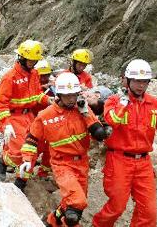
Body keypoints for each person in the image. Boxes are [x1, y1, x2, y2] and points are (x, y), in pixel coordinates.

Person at [92, 59, 157, 227]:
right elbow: (111, 121)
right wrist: (123, 104)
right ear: (127, 81)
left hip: (143, 163)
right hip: (119, 161)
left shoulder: (155, 105)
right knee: (117, 207)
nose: (140, 85)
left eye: (144, 81)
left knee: (148, 212)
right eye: (136, 81)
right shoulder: (113, 101)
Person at [19, 72, 110, 227]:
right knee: (77, 202)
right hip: (62, 165)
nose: (71, 99)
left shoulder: (83, 110)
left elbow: (98, 134)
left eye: (73, 95)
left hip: (82, 163)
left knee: (74, 208)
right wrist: (27, 160)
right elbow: (31, 139)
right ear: (58, 95)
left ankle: (53, 221)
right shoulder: (45, 116)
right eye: (67, 96)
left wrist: (86, 114)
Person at [0, 40, 53, 191]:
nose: (33, 63)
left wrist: (48, 99)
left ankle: (21, 181)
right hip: (12, 117)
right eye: (31, 60)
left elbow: (36, 95)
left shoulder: (34, 74)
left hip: (28, 116)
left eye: (35, 61)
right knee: (18, 153)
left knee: (34, 148)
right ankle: (3, 161)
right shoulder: (10, 77)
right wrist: (6, 124)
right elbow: (1, 105)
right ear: (22, 58)